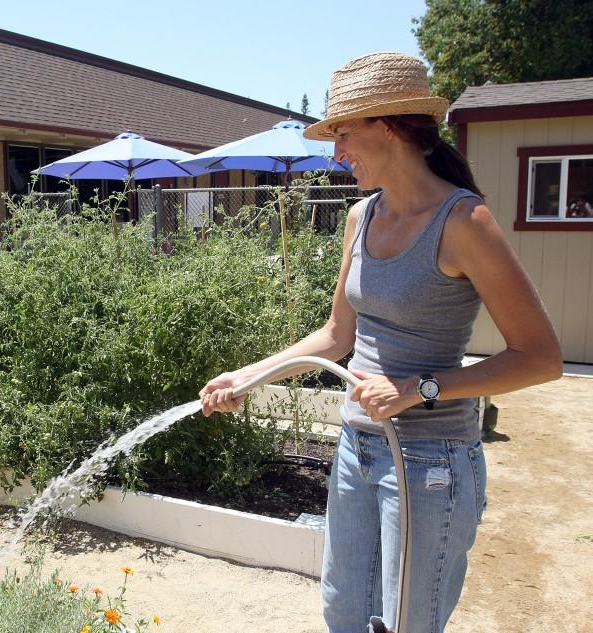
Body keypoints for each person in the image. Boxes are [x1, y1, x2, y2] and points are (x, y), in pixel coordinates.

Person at [199, 52, 562, 633]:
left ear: (387, 125)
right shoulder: (360, 216)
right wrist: (249, 376)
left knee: (408, 624)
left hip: (431, 463)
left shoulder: (464, 223)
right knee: (343, 614)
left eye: (343, 133)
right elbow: (337, 335)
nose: (336, 152)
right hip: (356, 451)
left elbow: (540, 359)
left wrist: (420, 389)